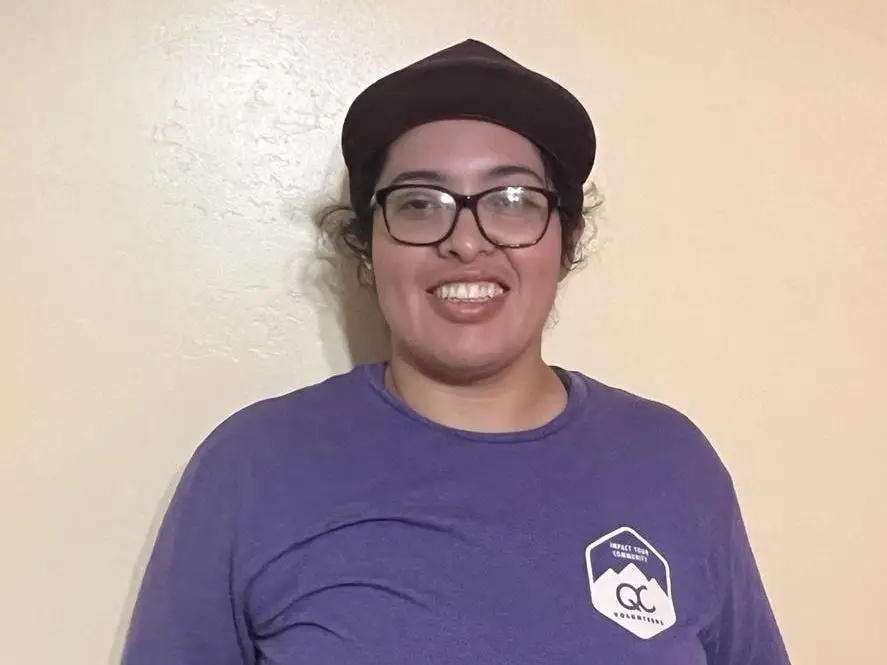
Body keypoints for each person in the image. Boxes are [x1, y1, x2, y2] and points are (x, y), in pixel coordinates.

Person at [121, 39, 791, 664]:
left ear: (565, 237)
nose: (465, 241)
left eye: (510, 200)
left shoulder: (670, 461)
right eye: (418, 203)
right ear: (368, 247)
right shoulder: (252, 467)